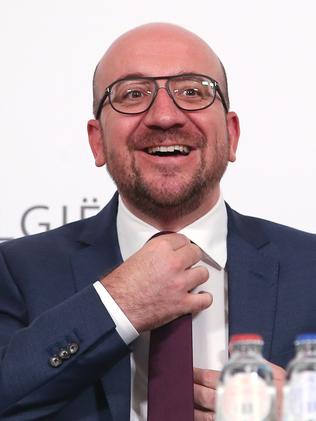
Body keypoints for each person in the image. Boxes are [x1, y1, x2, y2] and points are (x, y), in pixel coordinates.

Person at [0, 22, 315, 421]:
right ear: (97, 141)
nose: (165, 116)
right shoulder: (15, 271)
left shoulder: (311, 266)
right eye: (133, 95)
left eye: (193, 91)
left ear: (232, 135)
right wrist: (118, 305)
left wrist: (303, 411)